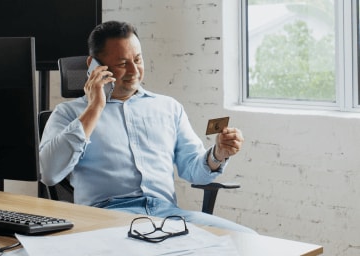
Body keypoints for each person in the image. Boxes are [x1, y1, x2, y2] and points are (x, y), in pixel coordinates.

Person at [39, 20, 255, 233]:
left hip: (168, 217)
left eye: (138, 59)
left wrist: (218, 154)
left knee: (246, 240)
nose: (134, 71)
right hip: (106, 219)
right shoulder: (69, 114)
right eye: (123, 64)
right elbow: (48, 173)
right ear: (94, 66)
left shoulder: (169, 108)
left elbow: (194, 171)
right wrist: (95, 107)